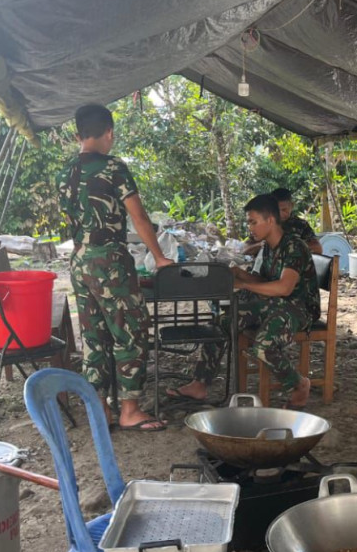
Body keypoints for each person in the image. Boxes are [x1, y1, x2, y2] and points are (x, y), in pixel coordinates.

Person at [58, 104, 172, 431]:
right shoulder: (113, 168)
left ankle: (100, 410)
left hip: (80, 259)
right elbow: (138, 215)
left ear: (78, 134)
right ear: (108, 132)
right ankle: (130, 410)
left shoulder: (63, 171)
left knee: (94, 335)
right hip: (109, 260)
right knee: (130, 329)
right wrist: (160, 257)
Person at [171, 194, 320, 408]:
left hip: (299, 308)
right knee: (223, 322)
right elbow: (265, 281)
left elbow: (284, 288)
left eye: (253, 221)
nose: (249, 227)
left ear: (270, 220)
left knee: (262, 345)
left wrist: (244, 284)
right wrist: (239, 274)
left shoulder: (294, 246)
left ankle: (298, 385)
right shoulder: (269, 246)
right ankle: (199, 384)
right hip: (275, 302)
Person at [244, 188, 322, 257]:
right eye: (278, 210)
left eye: (285, 210)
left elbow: (317, 248)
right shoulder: (265, 224)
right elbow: (245, 249)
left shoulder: (300, 225)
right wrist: (261, 246)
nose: (281, 214)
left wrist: (289, 247)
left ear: (292, 205)